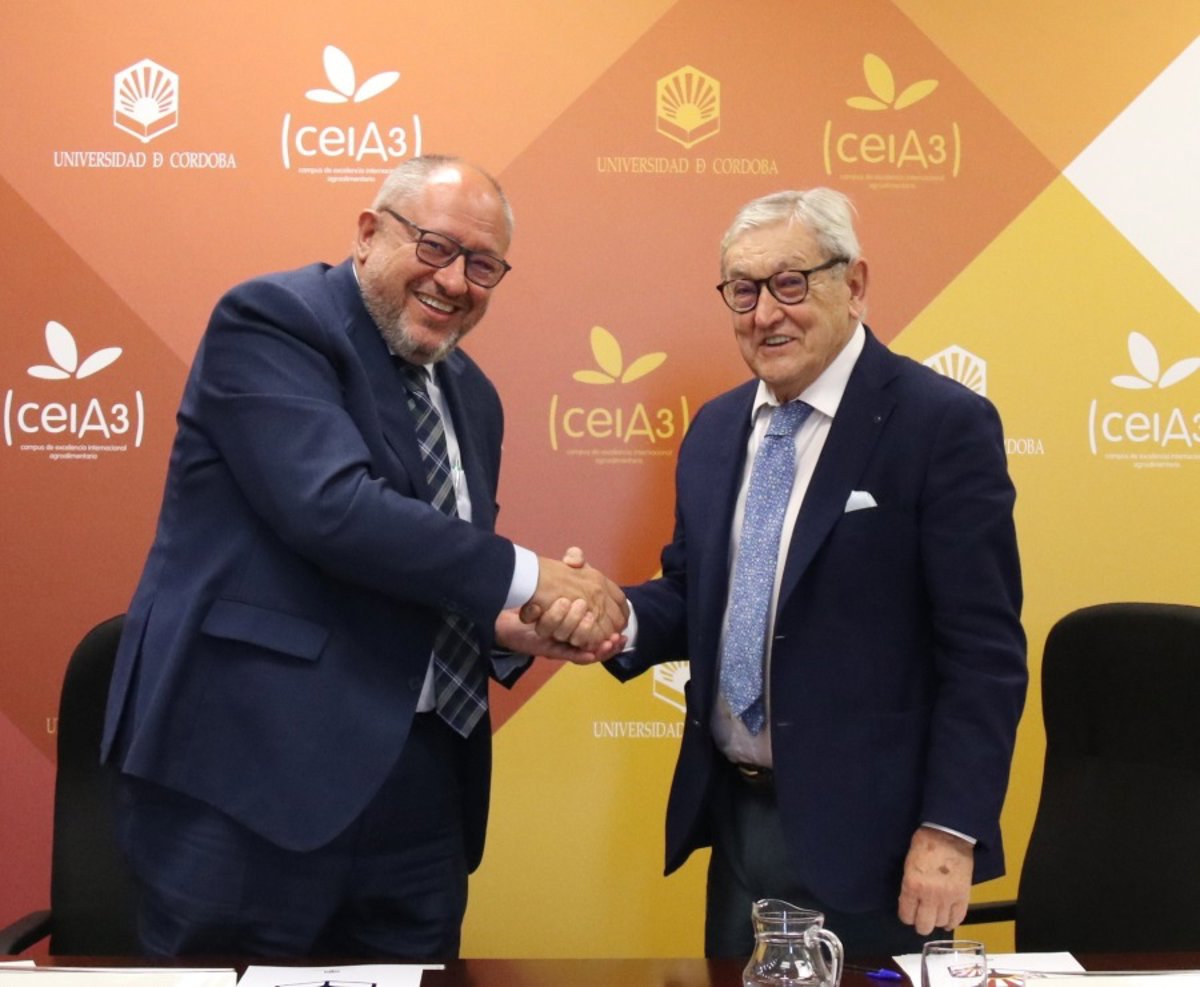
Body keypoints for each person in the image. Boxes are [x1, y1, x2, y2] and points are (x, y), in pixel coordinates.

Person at [101, 154, 626, 958]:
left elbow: (424, 567)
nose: (454, 281)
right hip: (250, 777)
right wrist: (529, 574)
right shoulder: (273, 321)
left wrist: (507, 621)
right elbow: (332, 508)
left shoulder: (474, 396)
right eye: (435, 246)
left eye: (482, 265)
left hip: (422, 794)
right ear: (369, 233)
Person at [534, 187, 1027, 955]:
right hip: (736, 823)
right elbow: (696, 595)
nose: (765, 313)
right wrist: (612, 616)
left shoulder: (941, 425)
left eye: (790, 283)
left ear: (854, 284)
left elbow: (984, 653)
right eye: (743, 290)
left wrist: (950, 829)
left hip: (880, 847)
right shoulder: (715, 428)